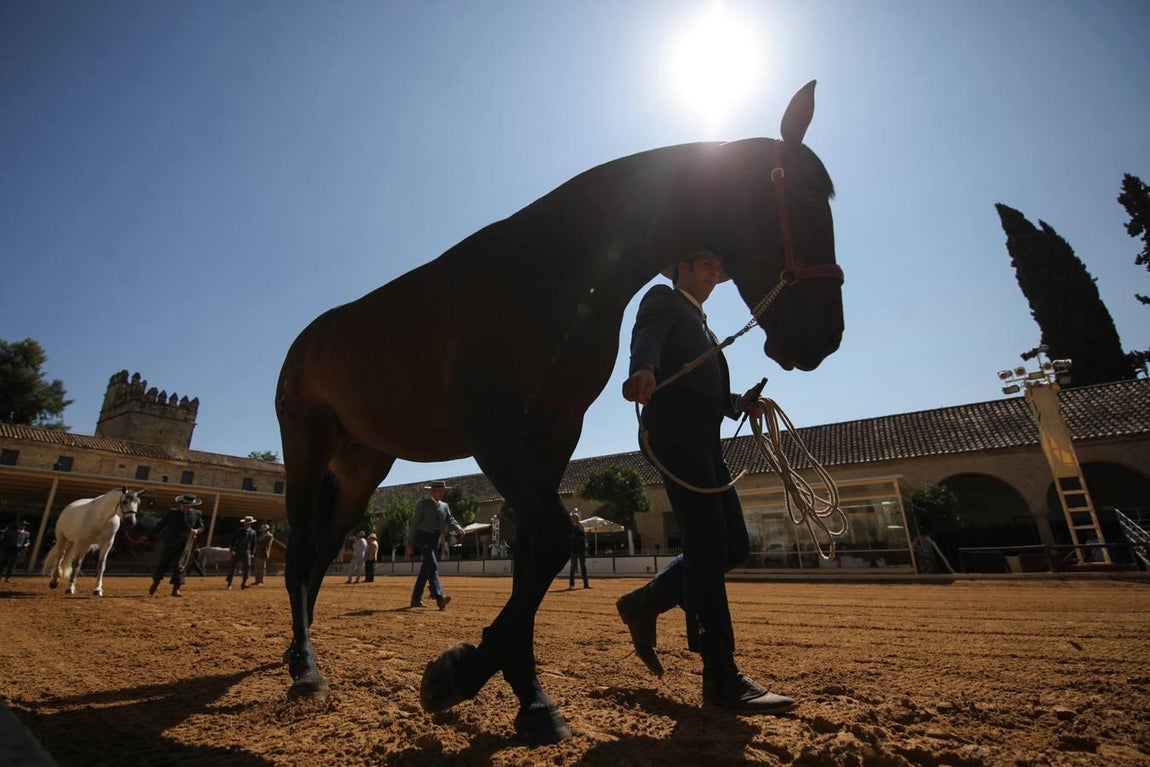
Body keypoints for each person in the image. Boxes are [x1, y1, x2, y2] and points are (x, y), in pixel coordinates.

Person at [617, 250, 794, 714]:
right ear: (681, 268)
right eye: (706, 263)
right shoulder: (663, 298)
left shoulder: (704, 324)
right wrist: (644, 370)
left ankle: (643, 602)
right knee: (708, 546)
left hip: (703, 439)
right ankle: (720, 675)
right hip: (676, 436)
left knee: (732, 546)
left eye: (719, 264)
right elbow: (647, 338)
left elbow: (702, 388)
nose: (716, 270)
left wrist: (738, 404)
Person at [405, 480, 464, 610]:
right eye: (439, 491)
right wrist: (410, 543)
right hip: (423, 537)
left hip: (436, 539)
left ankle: (416, 599)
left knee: (426, 569)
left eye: (443, 491)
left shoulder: (445, 506)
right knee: (432, 564)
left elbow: (450, 519)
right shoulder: (422, 504)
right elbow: (414, 525)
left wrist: (458, 528)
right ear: (431, 491)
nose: (442, 493)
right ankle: (439, 596)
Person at [149, 495, 205, 597]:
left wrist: (197, 530)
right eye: (183, 505)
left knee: (181, 566)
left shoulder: (197, 514)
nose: (185, 507)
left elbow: (201, 527)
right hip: (171, 542)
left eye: (187, 505)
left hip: (186, 544)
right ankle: (156, 583)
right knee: (163, 563)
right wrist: (149, 535)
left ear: (191, 505)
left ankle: (176, 589)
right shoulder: (172, 512)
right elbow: (160, 525)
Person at [226, 516, 257, 590]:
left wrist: (252, 553)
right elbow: (233, 540)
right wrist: (232, 549)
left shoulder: (253, 532)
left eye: (249, 523)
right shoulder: (239, 531)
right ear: (244, 523)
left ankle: (244, 583)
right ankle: (229, 583)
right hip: (237, 550)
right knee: (233, 567)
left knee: (247, 567)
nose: (247, 524)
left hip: (247, 551)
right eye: (246, 523)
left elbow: (254, 543)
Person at [568, 510, 590, 589]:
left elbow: (583, 536)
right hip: (574, 549)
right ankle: (571, 584)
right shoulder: (570, 527)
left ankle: (586, 584)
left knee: (583, 566)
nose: (574, 519)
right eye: (573, 517)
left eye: (575, 517)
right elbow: (571, 536)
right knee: (573, 567)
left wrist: (586, 543)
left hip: (581, 548)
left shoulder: (580, 526)